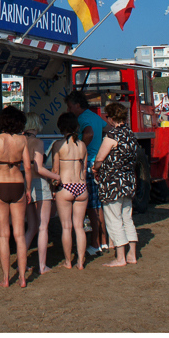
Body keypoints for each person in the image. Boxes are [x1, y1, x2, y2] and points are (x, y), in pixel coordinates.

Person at [0, 105, 32, 287]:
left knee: (3, 235)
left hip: (0, 184)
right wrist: (28, 189)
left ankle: (5, 278)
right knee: (19, 235)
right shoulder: (23, 140)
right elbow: (27, 166)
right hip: (18, 184)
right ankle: (22, 278)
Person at [92, 102, 140, 266]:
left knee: (113, 218)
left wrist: (96, 169)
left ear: (111, 118)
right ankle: (132, 254)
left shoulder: (112, 136)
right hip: (128, 180)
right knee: (127, 218)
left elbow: (99, 158)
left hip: (113, 183)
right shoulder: (131, 135)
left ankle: (120, 257)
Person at [65, 90, 108, 255]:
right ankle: (104, 241)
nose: (69, 110)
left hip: (88, 164)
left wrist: (78, 149)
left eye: (70, 107)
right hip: (98, 162)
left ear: (77, 105)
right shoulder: (95, 116)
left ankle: (95, 243)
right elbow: (109, 128)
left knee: (91, 208)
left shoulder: (82, 118)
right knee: (99, 206)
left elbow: (89, 133)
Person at [51, 112, 89, 269]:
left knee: (66, 227)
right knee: (79, 227)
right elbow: (84, 170)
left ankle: (68, 261)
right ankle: (81, 261)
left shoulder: (58, 145)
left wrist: (53, 189)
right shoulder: (82, 145)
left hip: (65, 186)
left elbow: (55, 172)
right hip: (81, 186)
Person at [23, 112, 58, 275]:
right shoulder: (37, 142)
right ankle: (42, 266)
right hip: (39, 184)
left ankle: (20, 264)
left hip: (25, 184)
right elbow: (39, 167)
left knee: (31, 228)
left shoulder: (20, 141)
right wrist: (56, 176)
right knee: (43, 227)